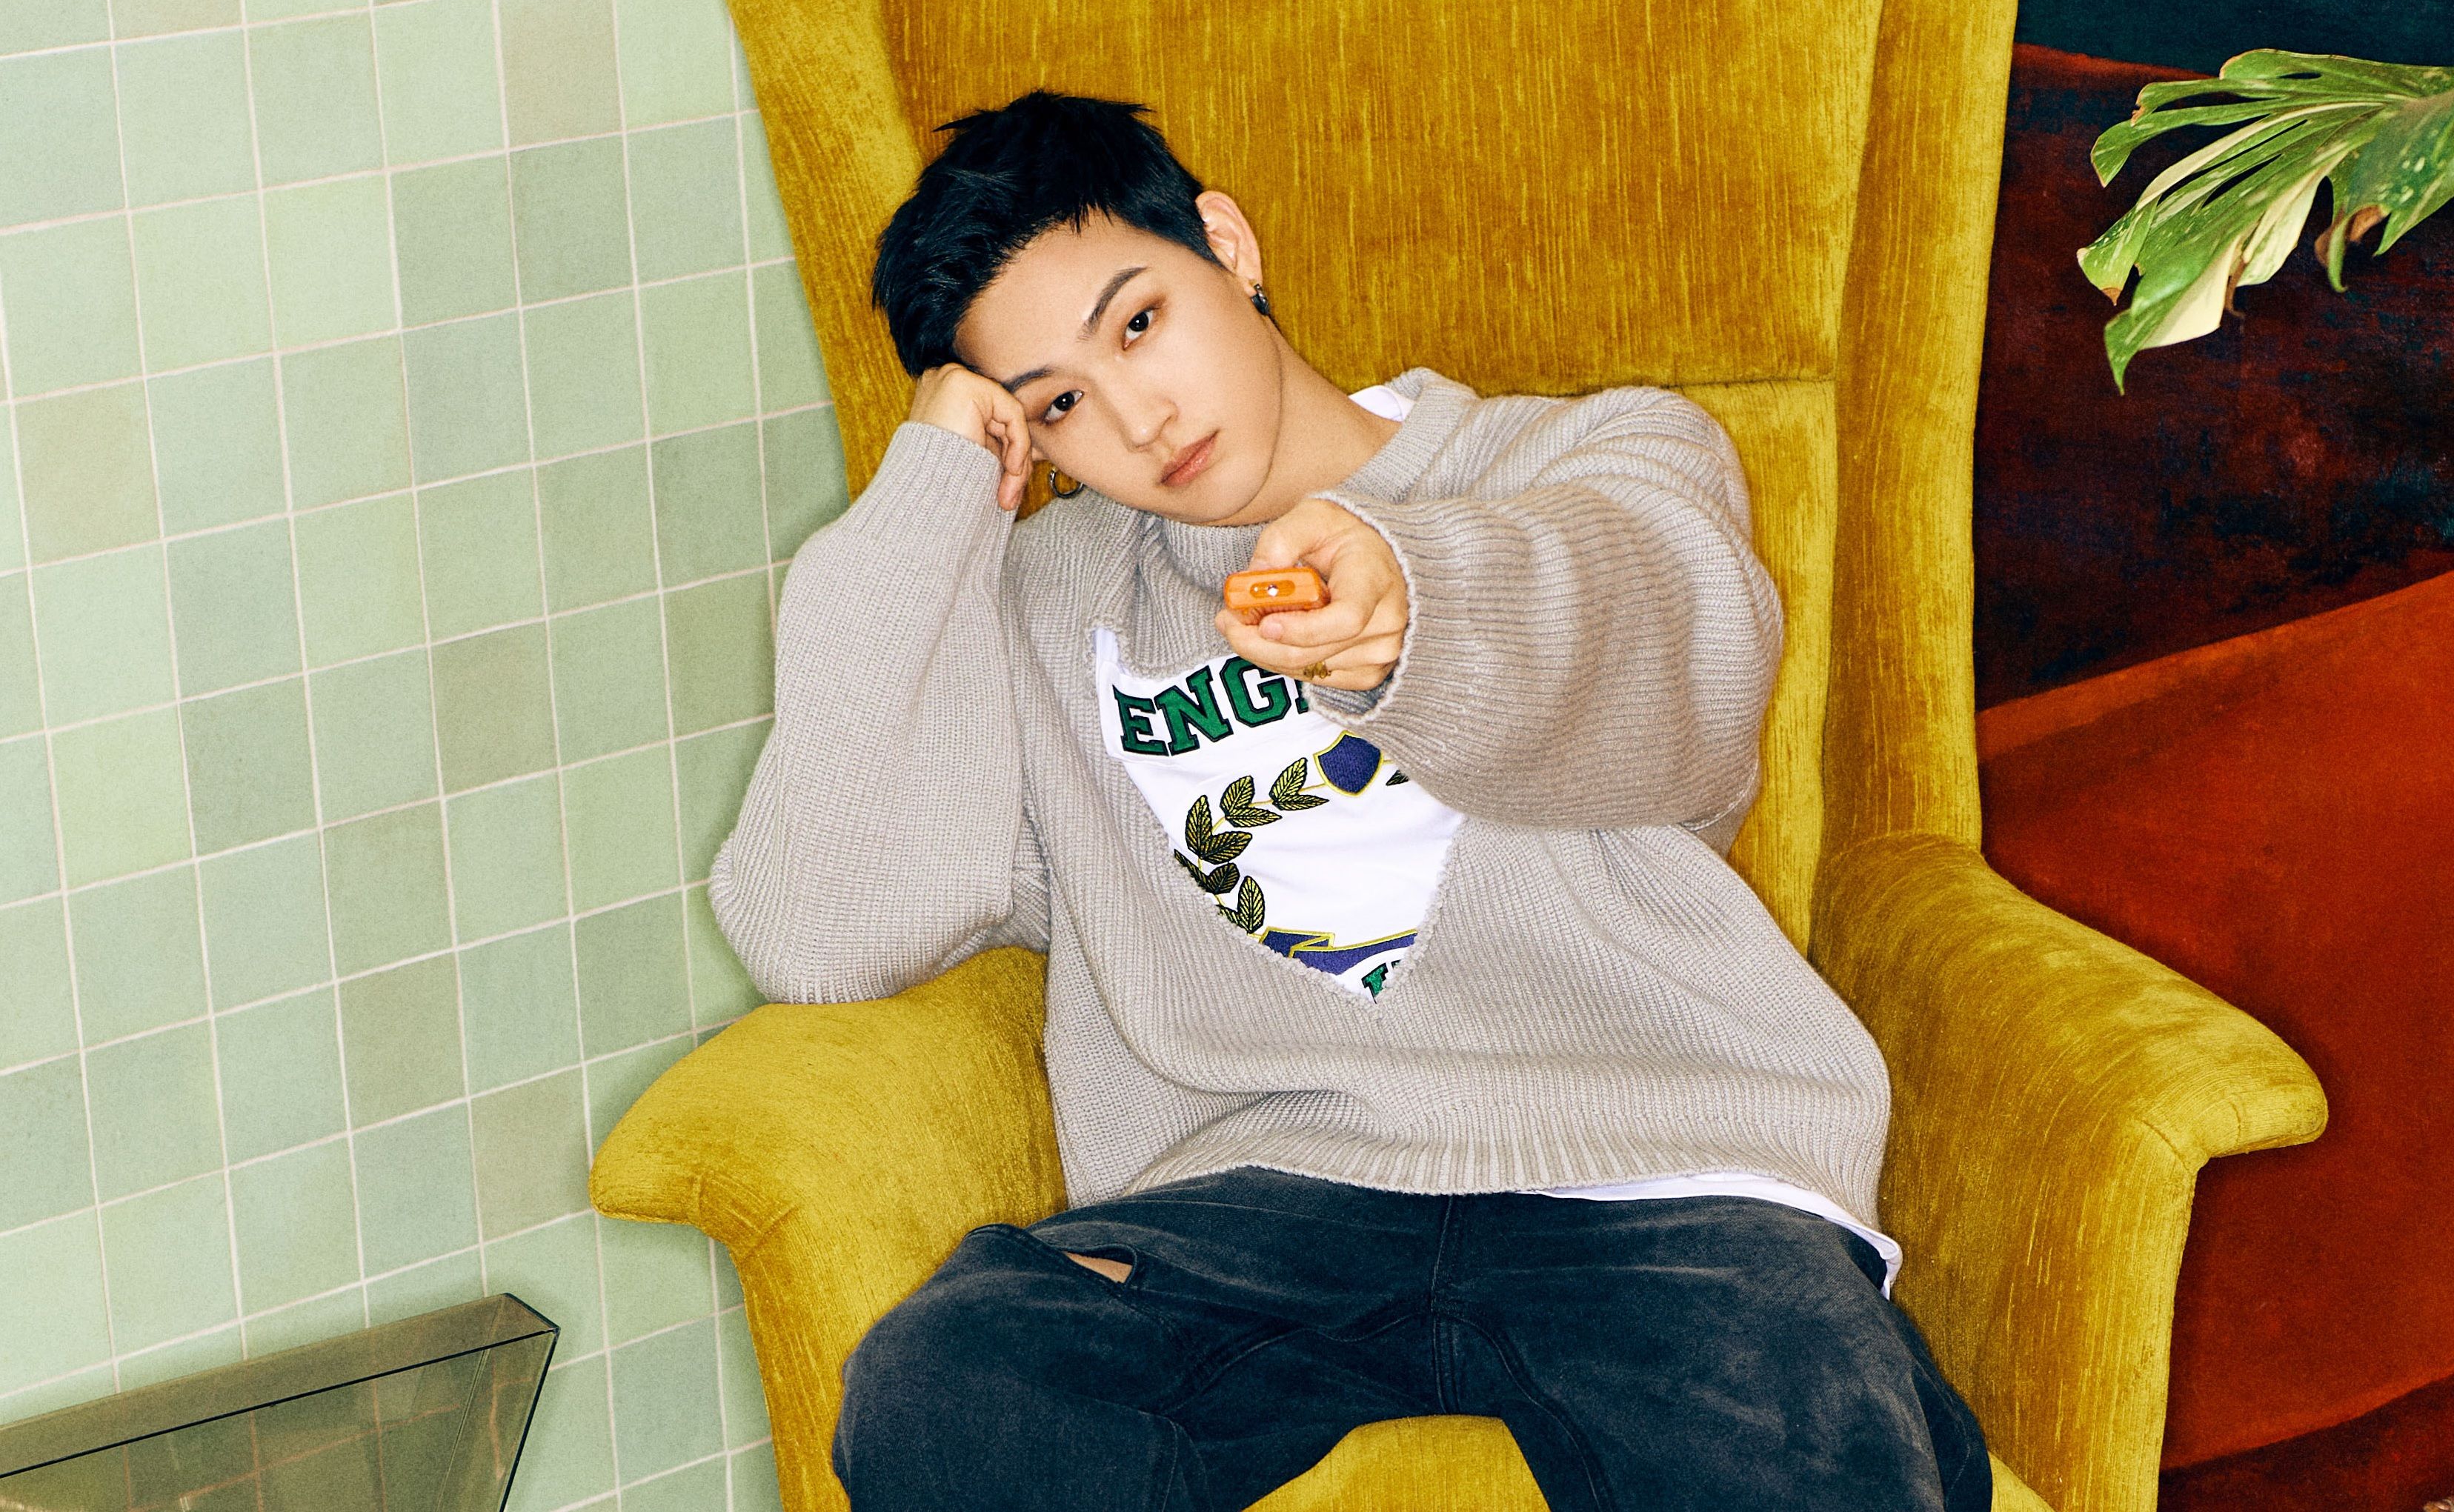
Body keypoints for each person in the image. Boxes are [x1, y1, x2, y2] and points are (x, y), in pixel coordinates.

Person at [711, 90, 1991, 1512]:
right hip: (1257, 1212)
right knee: (950, 1387)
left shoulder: (1588, 459)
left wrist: (1418, 607)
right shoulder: (1049, 604)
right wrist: (931, 492)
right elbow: (822, 929)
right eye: (1058, 402)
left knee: (1809, 1445)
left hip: (1660, 1177)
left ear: (1227, 244)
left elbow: (1678, 670)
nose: (1138, 417)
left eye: (1139, 322)